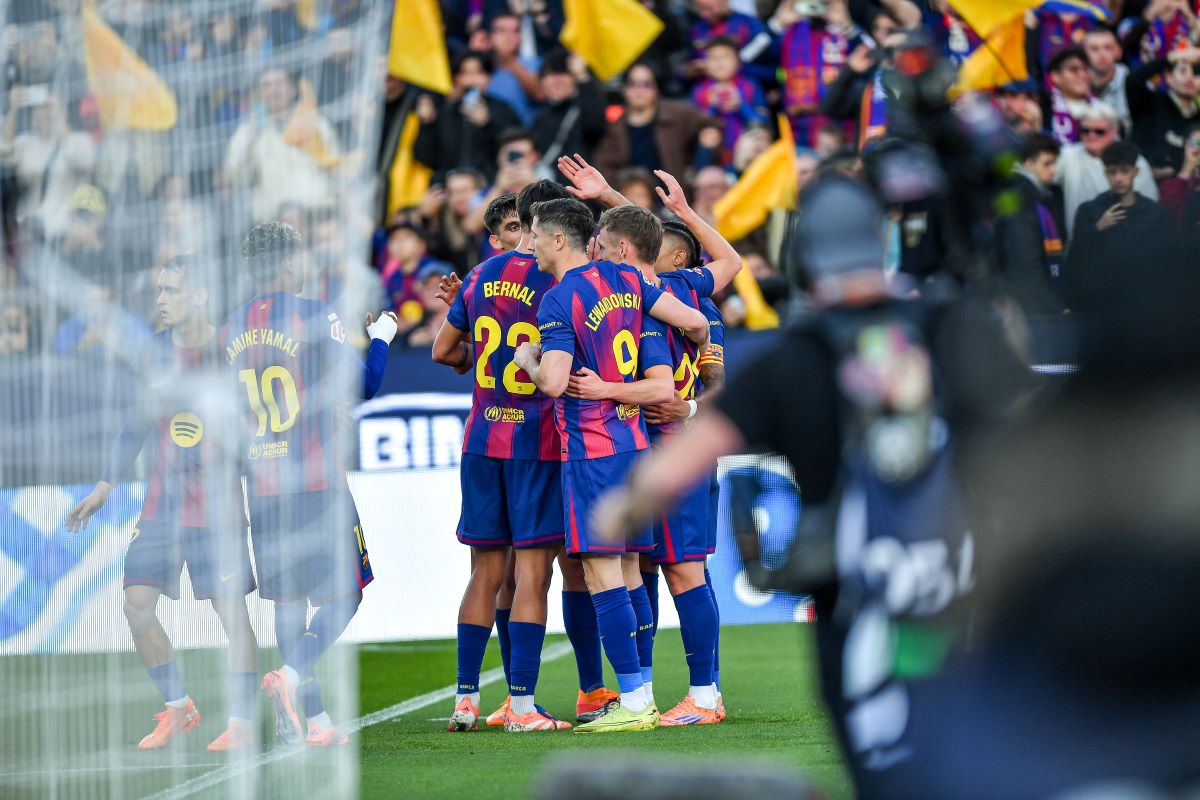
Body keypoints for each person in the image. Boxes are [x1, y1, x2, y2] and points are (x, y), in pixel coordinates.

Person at [591, 175, 1031, 795]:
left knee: (886, 767)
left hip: (856, 606)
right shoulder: (957, 327)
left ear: (804, 263)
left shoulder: (792, 360)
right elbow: (1041, 434)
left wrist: (623, 507)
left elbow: (682, 459)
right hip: (968, 591)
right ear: (881, 245)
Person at [512, 197, 711, 733]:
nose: (531, 245)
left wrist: (527, 359)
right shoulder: (628, 280)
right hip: (635, 443)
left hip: (592, 449)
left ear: (558, 241)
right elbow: (695, 322)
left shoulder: (559, 299)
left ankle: (635, 701)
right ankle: (640, 693)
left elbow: (555, 381)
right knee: (627, 572)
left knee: (602, 575)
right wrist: (698, 349)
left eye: (535, 235)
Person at [556, 161, 743, 725]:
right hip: (638, 446)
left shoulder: (672, 289)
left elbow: (709, 263)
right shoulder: (643, 290)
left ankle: (705, 695)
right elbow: (637, 236)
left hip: (678, 445)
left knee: (684, 571)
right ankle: (642, 693)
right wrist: (609, 194)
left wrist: (689, 406)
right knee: (641, 569)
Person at [64, 254, 259, 753]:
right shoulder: (151, 353)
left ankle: (241, 721)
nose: (161, 300)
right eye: (159, 291)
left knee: (231, 614)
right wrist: (104, 485)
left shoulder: (231, 349)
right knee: (136, 605)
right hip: (160, 507)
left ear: (201, 294)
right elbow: (135, 422)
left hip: (215, 509)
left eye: (171, 290)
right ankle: (178, 707)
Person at [223, 221, 397, 747]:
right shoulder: (314, 314)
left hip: (263, 485)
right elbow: (364, 385)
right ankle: (291, 676)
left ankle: (316, 721)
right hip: (316, 482)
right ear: (286, 263)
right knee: (347, 595)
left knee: (288, 603)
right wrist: (381, 336)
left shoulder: (228, 328)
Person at [430, 180, 576, 733]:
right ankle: (521, 706)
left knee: (485, 574)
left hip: (481, 440)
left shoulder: (480, 275)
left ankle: (465, 700)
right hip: (536, 441)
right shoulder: (557, 278)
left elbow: (444, 351)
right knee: (533, 574)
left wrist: (481, 358)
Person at [223, 67, 342, 221]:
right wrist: (251, 141)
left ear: (292, 90)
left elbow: (335, 167)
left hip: (318, 213)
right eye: (266, 86)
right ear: (259, 94)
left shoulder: (316, 123)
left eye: (279, 83)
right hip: (272, 220)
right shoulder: (247, 131)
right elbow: (237, 177)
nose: (273, 91)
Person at [1065, 141, 1169, 315]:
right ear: (1106, 174)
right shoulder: (1090, 211)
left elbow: (1164, 261)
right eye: (1113, 172)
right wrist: (1097, 228)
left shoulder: (1152, 213)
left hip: (1142, 302)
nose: (1119, 178)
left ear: (1135, 172)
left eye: (1124, 171)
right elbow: (1076, 260)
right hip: (1100, 303)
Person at [591, 63, 723, 182]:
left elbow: (714, 124)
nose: (639, 91)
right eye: (632, 84)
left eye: (646, 85)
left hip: (674, 195)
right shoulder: (615, 128)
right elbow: (604, 167)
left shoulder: (677, 113)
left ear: (657, 89)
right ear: (624, 90)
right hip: (634, 198)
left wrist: (710, 133)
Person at [412, 51, 522, 181]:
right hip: (450, 185)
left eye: (478, 73)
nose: (472, 80)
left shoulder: (503, 110)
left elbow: (514, 151)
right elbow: (425, 159)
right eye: (465, 73)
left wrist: (487, 125)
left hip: (489, 185)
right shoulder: (446, 113)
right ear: (456, 78)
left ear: (488, 77)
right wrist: (427, 125)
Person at [1052, 104, 1158, 238]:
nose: (1091, 135)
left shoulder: (1136, 161)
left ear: (1115, 131)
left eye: (1099, 131)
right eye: (1085, 130)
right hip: (1082, 241)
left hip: (1128, 242)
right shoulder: (1068, 155)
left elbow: (1149, 204)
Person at [992, 133, 1069, 315]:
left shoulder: (1047, 194)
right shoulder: (1022, 197)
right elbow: (1025, 260)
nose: (1053, 170)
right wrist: (1051, 303)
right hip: (1031, 301)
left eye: (1054, 163)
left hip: (1040, 295)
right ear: (1028, 163)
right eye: (1047, 164)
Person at [691, 37, 769, 166]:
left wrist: (741, 106)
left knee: (758, 137)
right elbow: (692, 127)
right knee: (708, 135)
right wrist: (712, 107)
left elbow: (763, 120)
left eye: (725, 57)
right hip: (715, 154)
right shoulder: (700, 91)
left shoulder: (750, 86)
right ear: (705, 64)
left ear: (738, 61)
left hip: (744, 151)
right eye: (713, 58)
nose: (719, 63)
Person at [1126, 42, 1200, 179]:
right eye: (1183, 71)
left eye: (1196, 72)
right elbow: (1132, 81)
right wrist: (1172, 57)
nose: (1189, 77)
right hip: (1141, 182)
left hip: (1184, 187)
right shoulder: (1149, 102)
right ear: (1168, 77)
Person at [1045, 47, 1101, 146]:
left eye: (1085, 69)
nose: (1082, 75)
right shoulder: (1045, 108)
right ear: (1055, 76)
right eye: (1074, 70)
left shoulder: (1102, 108)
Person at [1083, 28, 1130, 135]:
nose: (1102, 54)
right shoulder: (1074, 84)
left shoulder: (1133, 84)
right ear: (1083, 53)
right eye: (1094, 49)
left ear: (1118, 52)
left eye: (1108, 48)